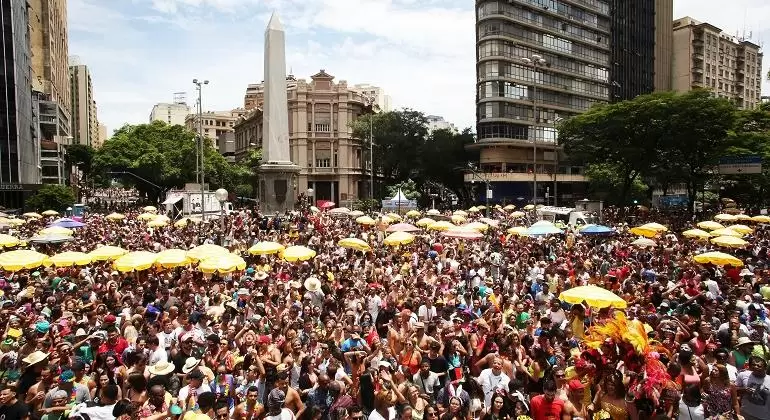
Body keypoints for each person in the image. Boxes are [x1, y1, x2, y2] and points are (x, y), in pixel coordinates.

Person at [734, 356, 770, 420]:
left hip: (764, 416)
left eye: (759, 366)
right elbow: (733, 391)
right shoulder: (743, 375)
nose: (756, 367)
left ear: (765, 367)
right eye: (753, 365)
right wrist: (743, 390)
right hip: (745, 413)